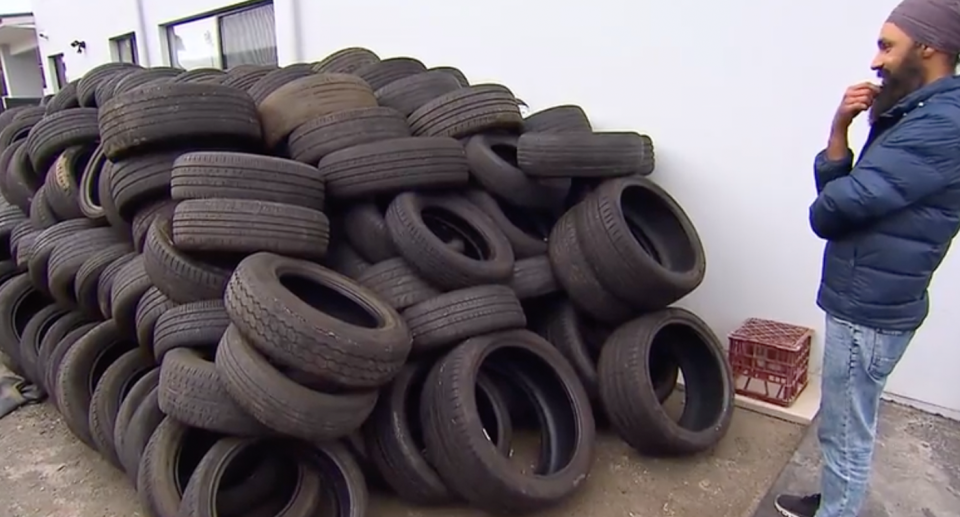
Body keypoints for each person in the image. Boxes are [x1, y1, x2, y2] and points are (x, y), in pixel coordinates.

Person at [775, 0, 960, 516]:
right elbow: (849, 201)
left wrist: (840, 142)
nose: (875, 62)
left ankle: (838, 511)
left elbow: (833, 211)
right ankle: (836, 501)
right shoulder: (921, 112)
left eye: (886, 46)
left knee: (846, 433)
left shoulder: (942, 126)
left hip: (870, 310)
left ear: (929, 48)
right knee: (844, 423)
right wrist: (842, 129)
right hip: (870, 297)